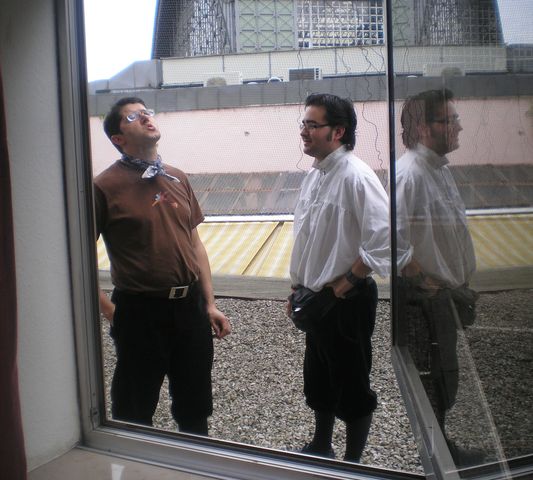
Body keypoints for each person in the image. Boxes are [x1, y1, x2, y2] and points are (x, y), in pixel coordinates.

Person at [94, 97, 231, 435]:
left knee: (195, 406)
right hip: (139, 310)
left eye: (147, 112)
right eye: (133, 117)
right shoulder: (104, 187)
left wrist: (209, 304)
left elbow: (195, 244)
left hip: (190, 308)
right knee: (134, 409)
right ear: (118, 138)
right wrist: (111, 311)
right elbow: (78, 258)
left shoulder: (177, 177)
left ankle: (195, 458)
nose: (145, 117)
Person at [289, 93, 390, 462]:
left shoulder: (356, 176)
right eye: (303, 124)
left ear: (338, 131)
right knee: (318, 377)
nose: (304, 132)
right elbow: (307, 238)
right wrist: (297, 288)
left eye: (313, 125)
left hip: (346, 301)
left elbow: (385, 238)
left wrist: (347, 282)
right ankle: (321, 446)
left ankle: (353, 463)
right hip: (315, 298)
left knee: (351, 383)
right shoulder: (315, 176)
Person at [396, 89, 479, 465]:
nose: (459, 126)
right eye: (450, 120)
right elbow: (391, 240)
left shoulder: (437, 170)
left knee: (445, 376)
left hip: (445, 297)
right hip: (429, 302)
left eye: (455, 119)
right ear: (423, 128)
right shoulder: (411, 175)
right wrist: (427, 285)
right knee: (434, 380)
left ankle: (442, 451)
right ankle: (439, 458)